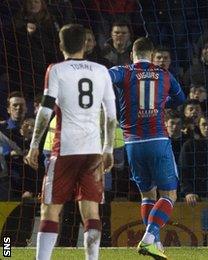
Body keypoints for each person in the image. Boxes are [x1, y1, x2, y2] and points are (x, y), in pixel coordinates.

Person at [23, 24, 116, 260]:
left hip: (65, 149)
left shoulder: (56, 70)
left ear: (61, 44)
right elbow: (111, 115)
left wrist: (35, 145)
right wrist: (108, 149)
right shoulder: (101, 70)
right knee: (91, 209)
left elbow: (45, 111)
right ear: (86, 44)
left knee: (50, 209)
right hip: (94, 150)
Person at [108, 37, 186, 259]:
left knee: (147, 195)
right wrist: (160, 103)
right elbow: (181, 99)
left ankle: (156, 244)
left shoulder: (123, 71)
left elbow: (106, 76)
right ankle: (148, 238)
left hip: (132, 143)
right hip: (158, 141)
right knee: (169, 194)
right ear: (152, 56)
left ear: (132, 54)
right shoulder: (164, 74)